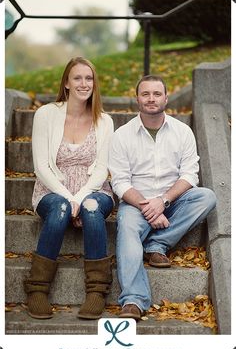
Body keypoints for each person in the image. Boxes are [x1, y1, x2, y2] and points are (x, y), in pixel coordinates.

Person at [108, 75, 216, 321]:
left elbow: (190, 175)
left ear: (166, 98)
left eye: (157, 94)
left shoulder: (183, 131)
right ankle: (134, 299)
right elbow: (120, 181)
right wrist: (148, 207)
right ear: (137, 99)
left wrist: (164, 201)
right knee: (126, 225)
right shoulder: (122, 135)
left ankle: (157, 243)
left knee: (206, 197)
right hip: (137, 204)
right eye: (145, 94)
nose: (151, 99)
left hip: (173, 201)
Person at [24, 57, 114, 320]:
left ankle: (97, 290)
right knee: (61, 208)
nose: (84, 83)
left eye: (89, 78)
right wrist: (68, 197)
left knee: (92, 206)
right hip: (52, 190)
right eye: (77, 78)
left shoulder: (104, 121)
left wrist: (81, 196)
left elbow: (102, 168)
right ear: (66, 82)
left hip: (93, 189)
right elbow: (41, 166)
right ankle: (37, 289)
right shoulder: (46, 114)